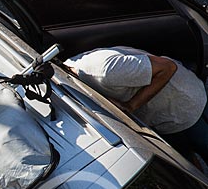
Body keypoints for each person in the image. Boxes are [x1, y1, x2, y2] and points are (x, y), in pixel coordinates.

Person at [64, 46, 208, 164]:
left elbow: (167, 67)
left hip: (187, 104)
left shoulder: (107, 71)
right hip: (162, 120)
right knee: (187, 165)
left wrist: (131, 106)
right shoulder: (69, 65)